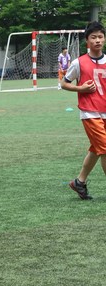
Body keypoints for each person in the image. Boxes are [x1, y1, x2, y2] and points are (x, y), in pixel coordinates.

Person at [62, 21, 106, 200]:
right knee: (105, 148)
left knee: (97, 149)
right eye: (93, 37)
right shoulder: (79, 62)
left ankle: (79, 182)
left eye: (100, 37)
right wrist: (81, 89)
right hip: (90, 113)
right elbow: (64, 83)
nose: (97, 40)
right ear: (87, 41)